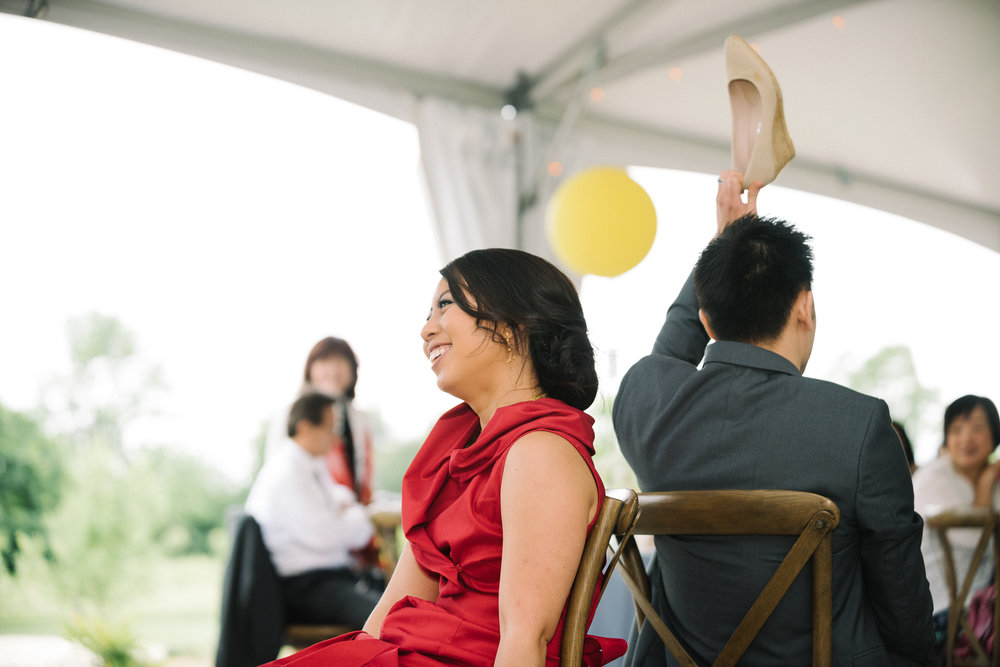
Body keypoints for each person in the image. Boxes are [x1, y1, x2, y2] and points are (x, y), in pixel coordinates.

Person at [612, 171, 936, 666]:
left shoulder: (647, 404)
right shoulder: (859, 425)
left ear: (705, 321)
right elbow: (903, 604)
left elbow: (667, 361)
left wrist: (723, 241)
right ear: (805, 306)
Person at [264, 248, 625, 667]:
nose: (425, 329)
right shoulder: (457, 453)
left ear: (510, 326)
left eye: (445, 305)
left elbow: (524, 640)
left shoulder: (540, 452)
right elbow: (383, 621)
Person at [246, 391, 381, 628]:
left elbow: (340, 501)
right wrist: (360, 518)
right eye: (331, 428)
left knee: (399, 600)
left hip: (325, 578)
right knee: (387, 618)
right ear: (306, 427)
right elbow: (325, 533)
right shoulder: (288, 471)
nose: (335, 437)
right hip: (305, 586)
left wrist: (345, 515)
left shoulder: (308, 465)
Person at [912, 396, 1000, 621]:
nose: (966, 438)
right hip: (944, 611)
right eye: (956, 429)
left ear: (994, 434)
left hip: (982, 598)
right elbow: (975, 540)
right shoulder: (932, 478)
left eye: (977, 428)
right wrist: (986, 482)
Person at [266, 337, 376, 504]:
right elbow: (274, 468)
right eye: (325, 362)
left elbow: (368, 472)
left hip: (354, 511)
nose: (333, 370)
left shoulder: (360, 419)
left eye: (341, 362)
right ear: (310, 369)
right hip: (307, 509)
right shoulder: (289, 413)